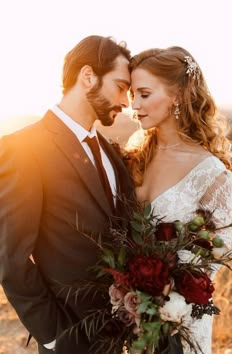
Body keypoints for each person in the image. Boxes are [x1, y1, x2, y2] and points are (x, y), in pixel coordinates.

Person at [0, 35, 135, 354]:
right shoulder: (23, 149)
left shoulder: (111, 153)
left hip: (120, 338)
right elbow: (11, 260)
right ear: (88, 77)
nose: (126, 101)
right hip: (68, 340)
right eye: (120, 86)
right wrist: (56, 338)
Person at [126, 47, 232, 354]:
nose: (135, 105)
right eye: (133, 94)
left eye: (144, 94)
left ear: (177, 95)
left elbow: (217, 252)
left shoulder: (210, 170)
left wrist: (164, 292)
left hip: (179, 318)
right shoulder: (135, 156)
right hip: (126, 313)